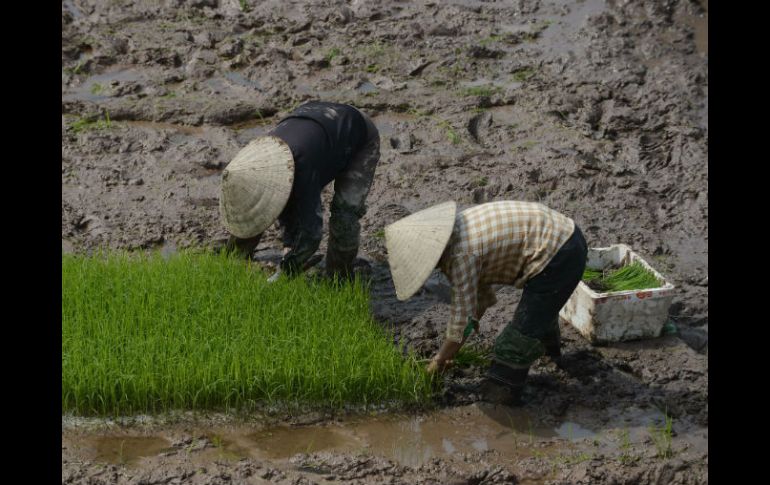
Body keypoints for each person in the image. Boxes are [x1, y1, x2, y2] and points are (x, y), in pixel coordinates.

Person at [384, 200, 587, 403]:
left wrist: (440, 360)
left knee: (513, 345)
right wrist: (456, 343)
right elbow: (476, 305)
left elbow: (462, 318)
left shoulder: (461, 256)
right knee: (539, 312)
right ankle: (553, 356)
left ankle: (504, 397)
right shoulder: (460, 226)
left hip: (559, 255)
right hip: (565, 236)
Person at [220, 101, 380, 278]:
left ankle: (338, 278)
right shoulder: (256, 158)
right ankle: (235, 258)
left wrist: (287, 268)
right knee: (255, 208)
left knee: (345, 216)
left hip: (356, 133)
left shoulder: (301, 168)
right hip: (315, 118)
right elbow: (257, 209)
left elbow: (311, 233)